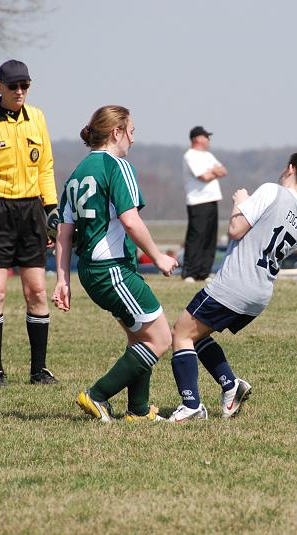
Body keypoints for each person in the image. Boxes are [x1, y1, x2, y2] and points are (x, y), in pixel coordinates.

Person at [168, 152, 297, 421]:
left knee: (180, 333)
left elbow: (236, 230)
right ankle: (230, 385)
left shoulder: (272, 191)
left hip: (234, 284)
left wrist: (240, 202)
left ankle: (191, 406)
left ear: (291, 169)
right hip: (259, 294)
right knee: (197, 335)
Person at [53, 105, 178, 422]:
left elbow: (64, 233)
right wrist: (159, 255)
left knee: (140, 337)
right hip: (111, 269)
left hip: (91, 271)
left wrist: (62, 279)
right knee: (162, 339)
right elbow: (131, 221)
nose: (133, 140)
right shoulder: (117, 167)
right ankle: (96, 395)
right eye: (132, 132)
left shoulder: (77, 173)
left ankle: (138, 411)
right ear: (116, 132)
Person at [0, 60, 59, 386]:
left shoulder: (38, 119)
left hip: (31, 210)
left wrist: (51, 214)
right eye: (14, 86)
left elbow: (45, 167)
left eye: (25, 86)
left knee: (37, 290)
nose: (20, 92)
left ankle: (39, 370)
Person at [181, 126, 227, 283]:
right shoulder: (190, 156)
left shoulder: (208, 155)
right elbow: (204, 177)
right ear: (197, 139)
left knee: (210, 237)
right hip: (197, 201)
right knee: (197, 237)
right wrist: (214, 171)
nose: (208, 140)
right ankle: (190, 272)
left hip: (212, 200)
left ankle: (204, 272)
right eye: (206, 137)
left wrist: (213, 171)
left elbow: (223, 171)